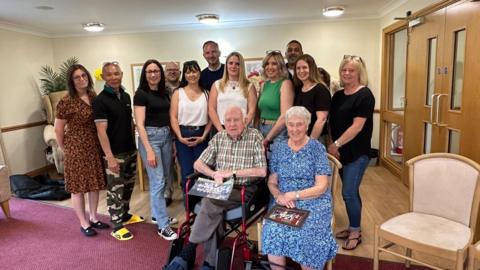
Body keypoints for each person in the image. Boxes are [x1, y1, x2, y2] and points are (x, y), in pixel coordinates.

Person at [166, 106, 267, 270]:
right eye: (228, 120)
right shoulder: (219, 137)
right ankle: (210, 264)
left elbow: (262, 171)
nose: (232, 124)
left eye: (236, 120)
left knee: (210, 201)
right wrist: (213, 174)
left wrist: (232, 173)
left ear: (244, 121)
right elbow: (198, 164)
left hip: (243, 190)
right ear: (223, 122)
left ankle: (188, 251)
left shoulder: (254, 136)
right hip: (219, 188)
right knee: (212, 206)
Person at [262, 106, 337, 270]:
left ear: (307, 125)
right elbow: (272, 182)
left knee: (306, 232)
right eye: (291, 124)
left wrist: (294, 195)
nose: (295, 129)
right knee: (273, 229)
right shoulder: (279, 148)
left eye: (299, 124)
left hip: (314, 200)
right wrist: (278, 196)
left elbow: (322, 186)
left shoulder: (316, 148)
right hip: (285, 201)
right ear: (286, 126)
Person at [54, 64, 108, 237]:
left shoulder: (94, 96)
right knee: (77, 189)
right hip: (75, 149)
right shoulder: (65, 101)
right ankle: (83, 223)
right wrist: (65, 149)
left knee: (94, 185)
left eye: (84, 75)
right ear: (71, 81)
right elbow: (58, 130)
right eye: (77, 77)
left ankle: (93, 217)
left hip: (93, 147)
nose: (82, 79)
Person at [93, 62, 144, 241]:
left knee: (129, 186)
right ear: (104, 77)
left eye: (117, 73)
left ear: (121, 74)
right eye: (110, 74)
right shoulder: (100, 101)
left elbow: (129, 122)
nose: (114, 77)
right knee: (115, 189)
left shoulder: (126, 96)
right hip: (114, 154)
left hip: (130, 149)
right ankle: (116, 225)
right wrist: (109, 157)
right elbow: (101, 131)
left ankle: (125, 215)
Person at [328, 55, 375, 250]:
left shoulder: (365, 95)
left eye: (351, 70)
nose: (347, 73)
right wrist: (333, 145)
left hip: (358, 153)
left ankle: (356, 231)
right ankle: (352, 226)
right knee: (351, 191)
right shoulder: (338, 95)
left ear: (359, 73)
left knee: (348, 192)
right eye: (344, 70)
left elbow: (357, 127)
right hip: (340, 153)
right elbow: (331, 122)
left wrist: (336, 144)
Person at [133, 59, 178, 241]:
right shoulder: (140, 94)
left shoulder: (164, 92)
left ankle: (156, 214)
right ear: (145, 74)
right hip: (150, 139)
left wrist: (173, 140)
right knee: (158, 181)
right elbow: (140, 124)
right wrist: (149, 150)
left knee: (166, 177)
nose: (153, 74)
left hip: (166, 136)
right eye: (150, 71)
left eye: (156, 71)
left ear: (161, 74)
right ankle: (162, 225)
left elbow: (168, 117)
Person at [170, 60, 212, 205]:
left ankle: (202, 207)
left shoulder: (207, 93)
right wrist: (179, 137)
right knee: (187, 172)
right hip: (183, 135)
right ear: (184, 75)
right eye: (188, 72)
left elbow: (211, 118)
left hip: (201, 135)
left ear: (199, 73)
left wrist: (204, 136)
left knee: (202, 172)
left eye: (194, 71)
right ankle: (189, 207)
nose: (192, 75)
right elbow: (173, 117)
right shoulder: (178, 93)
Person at [209, 51, 257, 132]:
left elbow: (252, 111)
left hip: (242, 129)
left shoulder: (249, 86)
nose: (233, 66)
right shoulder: (217, 85)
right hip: (220, 128)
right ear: (226, 65)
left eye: (237, 64)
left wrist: (243, 128)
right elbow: (211, 109)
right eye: (230, 63)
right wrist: (220, 130)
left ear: (241, 66)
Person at [256, 50, 294, 147]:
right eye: (267, 64)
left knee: (275, 162)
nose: (270, 67)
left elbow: (284, 116)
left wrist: (268, 138)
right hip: (261, 129)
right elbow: (258, 112)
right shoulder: (264, 85)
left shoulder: (285, 84)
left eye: (274, 64)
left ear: (281, 66)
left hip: (278, 131)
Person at [293, 54, 331, 144]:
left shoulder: (320, 89)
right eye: (298, 68)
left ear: (312, 69)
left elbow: (321, 119)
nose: (301, 71)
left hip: (315, 139)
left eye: (305, 67)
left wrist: (310, 143)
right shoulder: (299, 89)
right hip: (300, 138)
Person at [164, 61, 182, 207]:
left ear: (180, 72)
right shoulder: (159, 89)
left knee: (182, 164)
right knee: (167, 164)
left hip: (182, 130)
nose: (172, 72)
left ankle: (185, 193)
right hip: (165, 131)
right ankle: (167, 193)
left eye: (175, 69)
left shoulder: (185, 86)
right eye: (169, 70)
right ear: (165, 72)